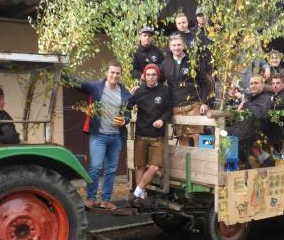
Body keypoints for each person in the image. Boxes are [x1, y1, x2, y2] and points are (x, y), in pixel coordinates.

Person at [74, 63, 132, 210]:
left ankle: (106, 200)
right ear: (106, 73)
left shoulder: (124, 93)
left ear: (120, 75)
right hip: (98, 136)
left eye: (117, 73)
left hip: (115, 137)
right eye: (112, 72)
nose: (115, 76)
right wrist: (60, 71)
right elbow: (76, 84)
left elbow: (128, 112)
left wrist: (125, 119)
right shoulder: (96, 87)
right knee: (95, 167)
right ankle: (91, 198)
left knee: (111, 169)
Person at [126, 64, 172, 208]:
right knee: (140, 166)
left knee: (154, 167)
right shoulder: (139, 91)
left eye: (153, 74)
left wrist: (162, 120)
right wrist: (129, 94)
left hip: (157, 137)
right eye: (148, 75)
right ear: (144, 76)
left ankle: (136, 192)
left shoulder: (165, 91)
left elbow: (169, 110)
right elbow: (127, 105)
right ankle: (141, 196)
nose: (151, 77)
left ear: (158, 76)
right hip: (140, 135)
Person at [160, 34, 210, 146]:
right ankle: (186, 164)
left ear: (183, 46)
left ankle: (197, 163)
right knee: (182, 137)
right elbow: (158, 83)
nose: (176, 47)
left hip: (193, 104)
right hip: (176, 106)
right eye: (174, 45)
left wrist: (204, 103)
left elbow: (204, 83)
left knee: (195, 135)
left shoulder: (193, 61)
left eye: (179, 45)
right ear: (170, 47)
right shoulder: (165, 64)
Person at [227, 75, 273, 167]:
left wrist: (246, 103)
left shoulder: (265, 98)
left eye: (256, 83)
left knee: (221, 132)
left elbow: (260, 114)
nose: (253, 85)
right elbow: (243, 98)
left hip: (249, 132)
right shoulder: (252, 96)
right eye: (251, 83)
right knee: (215, 130)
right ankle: (262, 160)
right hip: (242, 129)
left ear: (262, 85)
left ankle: (230, 166)